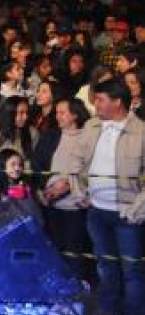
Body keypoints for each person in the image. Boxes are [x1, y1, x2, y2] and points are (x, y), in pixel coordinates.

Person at [68, 78, 145, 315]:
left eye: (100, 100)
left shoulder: (141, 132)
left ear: (118, 102)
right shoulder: (92, 126)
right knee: (106, 268)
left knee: (132, 272)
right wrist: (78, 190)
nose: (95, 104)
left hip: (127, 216)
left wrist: (137, 209)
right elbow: (75, 161)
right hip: (96, 212)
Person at [40, 98, 93, 281]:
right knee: (54, 249)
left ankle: (75, 291)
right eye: (56, 112)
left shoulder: (87, 138)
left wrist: (68, 185)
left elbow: (89, 170)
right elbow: (39, 165)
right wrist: (44, 190)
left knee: (74, 253)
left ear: (75, 115)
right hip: (51, 204)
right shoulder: (51, 136)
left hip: (76, 207)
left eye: (62, 112)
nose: (57, 116)